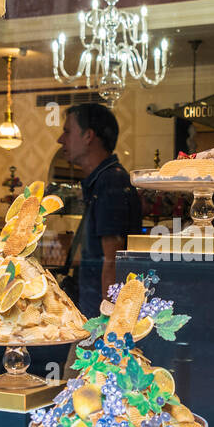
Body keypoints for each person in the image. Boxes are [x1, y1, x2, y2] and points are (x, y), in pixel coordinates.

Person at [57, 103, 142, 317]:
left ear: (88, 136)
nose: (60, 139)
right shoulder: (103, 180)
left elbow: (112, 259)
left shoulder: (110, 181)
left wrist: (108, 325)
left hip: (99, 318)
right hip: (92, 311)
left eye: (67, 131)